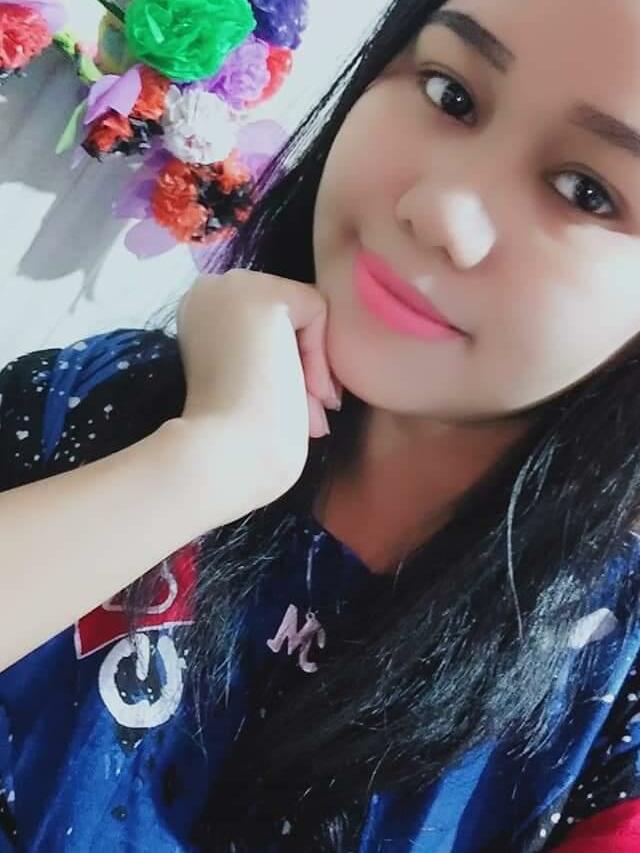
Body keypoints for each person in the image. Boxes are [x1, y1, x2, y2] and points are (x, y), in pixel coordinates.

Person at [2, 0, 640, 850]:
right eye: (450, 93)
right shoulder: (88, 404)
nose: (438, 210)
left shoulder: (613, 688)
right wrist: (202, 463)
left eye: (586, 191)